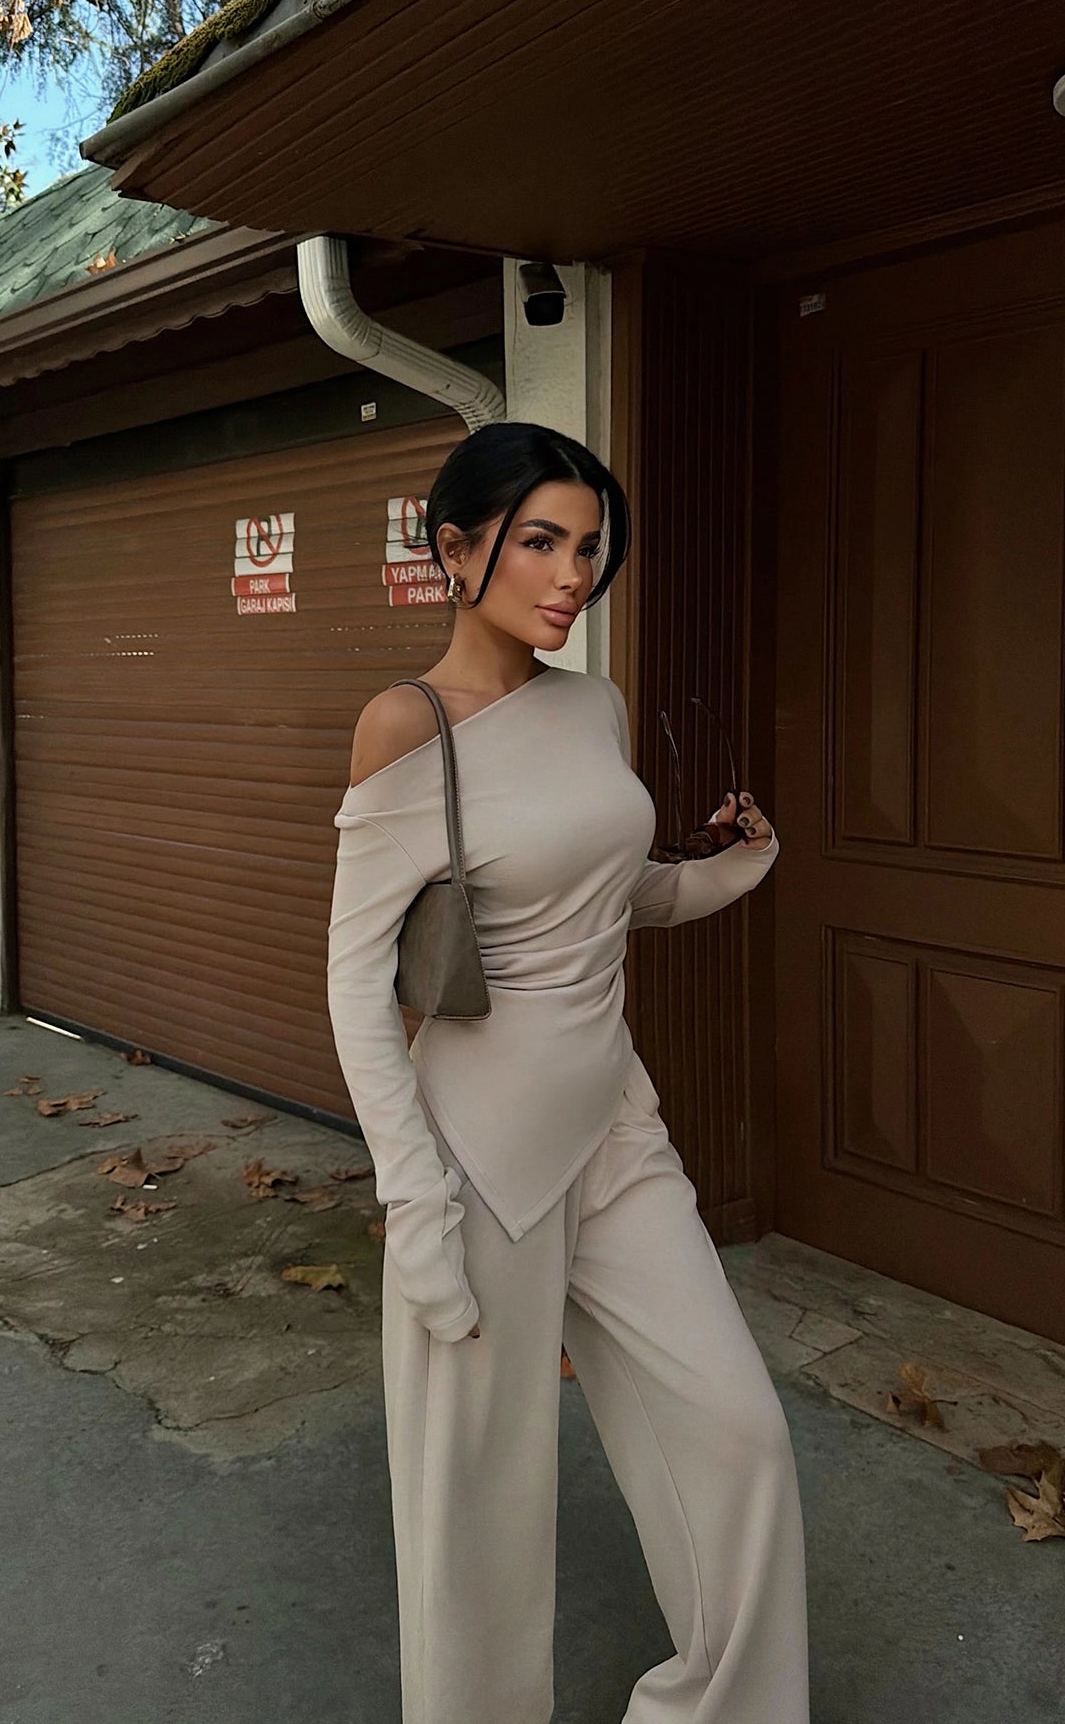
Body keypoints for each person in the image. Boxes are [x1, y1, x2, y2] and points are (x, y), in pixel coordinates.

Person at [326, 421, 810, 1724]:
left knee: (739, 1435)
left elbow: (609, 897)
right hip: (474, 1165)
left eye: (590, 548)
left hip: (614, 1127)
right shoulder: (406, 726)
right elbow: (356, 985)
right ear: (456, 551)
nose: (572, 575)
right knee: (477, 1514)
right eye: (540, 542)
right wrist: (415, 1202)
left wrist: (734, 869)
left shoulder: (591, 704)